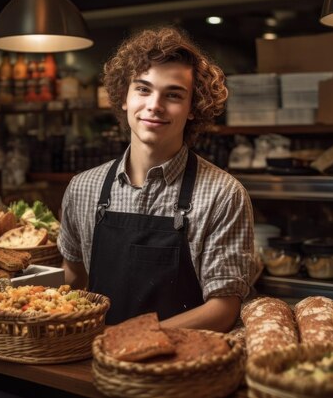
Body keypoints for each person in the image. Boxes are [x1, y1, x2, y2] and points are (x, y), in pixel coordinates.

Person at [58, 26, 257, 332]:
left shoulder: (223, 194)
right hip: (91, 363)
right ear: (124, 96)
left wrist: (130, 338)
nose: (154, 105)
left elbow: (223, 309)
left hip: (180, 370)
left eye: (174, 94)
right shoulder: (82, 188)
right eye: (143, 89)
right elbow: (72, 280)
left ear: (193, 108)